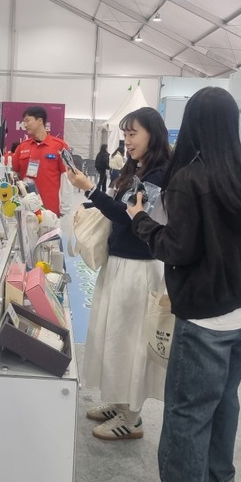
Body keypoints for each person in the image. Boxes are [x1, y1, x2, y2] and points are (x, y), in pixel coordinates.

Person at [128, 87, 241, 482]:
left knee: (187, 414)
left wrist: (140, 220)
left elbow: (177, 248)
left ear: (191, 123)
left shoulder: (189, 179)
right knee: (225, 400)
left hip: (205, 320)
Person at [66, 107, 170, 440]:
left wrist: (90, 190)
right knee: (114, 335)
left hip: (139, 268)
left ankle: (133, 417)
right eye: (125, 135)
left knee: (132, 341)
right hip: (120, 263)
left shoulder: (159, 174)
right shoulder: (137, 168)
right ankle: (119, 402)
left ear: (153, 134)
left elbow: (129, 216)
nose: (127, 140)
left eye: (133, 133)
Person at [11, 106, 70, 216]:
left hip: (50, 210)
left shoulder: (60, 146)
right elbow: (14, 175)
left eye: (27, 120)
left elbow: (67, 179)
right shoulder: (22, 147)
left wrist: (65, 209)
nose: (25, 125)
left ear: (40, 121)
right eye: (24, 122)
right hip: (27, 210)